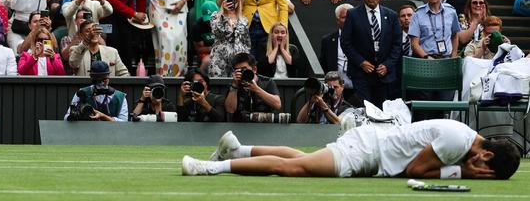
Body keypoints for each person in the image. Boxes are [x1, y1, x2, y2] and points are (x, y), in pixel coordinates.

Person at [182, 119, 521, 180]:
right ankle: (207, 168)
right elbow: (415, 172)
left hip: (371, 146)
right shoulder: (456, 142)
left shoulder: (465, 138)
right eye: (488, 171)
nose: (483, 174)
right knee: (292, 169)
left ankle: (237, 150)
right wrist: (464, 172)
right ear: (486, 155)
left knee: (302, 160)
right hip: (367, 151)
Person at [340, 0, 402, 108]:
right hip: (361, 73)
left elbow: (397, 44)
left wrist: (387, 65)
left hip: (384, 74)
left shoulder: (391, 15)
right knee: (365, 109)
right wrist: (361, 62)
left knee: (382, 111)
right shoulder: (352, 14)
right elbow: (346, 43)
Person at [208, 0, 250, 78]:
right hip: (219, 59)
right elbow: (218, 33)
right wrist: (224, 16)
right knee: (218, 88)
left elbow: (246, 42)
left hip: (238, 61)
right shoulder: (216, 16)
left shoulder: (244, 20)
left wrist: (245, 61)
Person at [224, 52, 281, 122]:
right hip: (240, 125)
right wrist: (235, 86)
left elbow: (277, 104)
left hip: (264, 124)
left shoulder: (267, 82)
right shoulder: (233, 84)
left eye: (244, 69)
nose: (241, 73)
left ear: (254, 69)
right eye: (238, 70)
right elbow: (230, 110)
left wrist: (256, 89)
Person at [65, 60, 129, 122]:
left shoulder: (119, 97)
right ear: (92, 77)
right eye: (97, 79)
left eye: (104, 79)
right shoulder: (82, 93)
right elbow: (66, 118)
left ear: (108, 76)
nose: (101, 83)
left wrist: (103, 116)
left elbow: (123, 122)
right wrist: (76, 115)